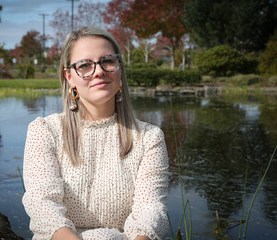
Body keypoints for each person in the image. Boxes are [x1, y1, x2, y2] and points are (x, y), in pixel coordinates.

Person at [22, 26, 169, 240]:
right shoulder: (45, 131)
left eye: (108, 60)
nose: (99, 71)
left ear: (119, 68)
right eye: (84, 65)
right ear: (69, 76)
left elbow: (151, 210)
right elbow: (43, 205)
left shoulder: (149, 138)